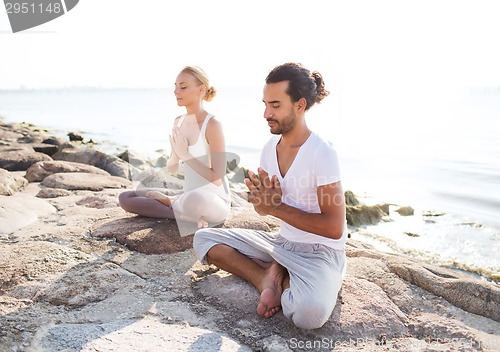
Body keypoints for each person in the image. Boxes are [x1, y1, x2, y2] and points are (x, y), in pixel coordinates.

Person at [193, 63, 347, 329]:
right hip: (282, 242)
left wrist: (275, 209)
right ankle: (265, 278)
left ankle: (283, 274)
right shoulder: (269, 148)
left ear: (299, 105)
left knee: (309, 315)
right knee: (204, 239)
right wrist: (263, 206)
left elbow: (334, 228)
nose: (266, 113)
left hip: (320, 252)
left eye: (275, 105)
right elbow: (265, 209)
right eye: (265, 104)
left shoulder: (322, 153)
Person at [119, 66, 231, 229]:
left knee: (195, 198)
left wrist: (185, 155)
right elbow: (173, 168)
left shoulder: (212, 125)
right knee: (126, 197)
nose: (176, 91)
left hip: (212, 200)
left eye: (183, 87)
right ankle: (182, 213)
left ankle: (173, 203)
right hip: (186, 196)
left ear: (201, 90)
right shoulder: (178, 121)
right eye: (175, 86)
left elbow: (217, 178)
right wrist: (176, 154)